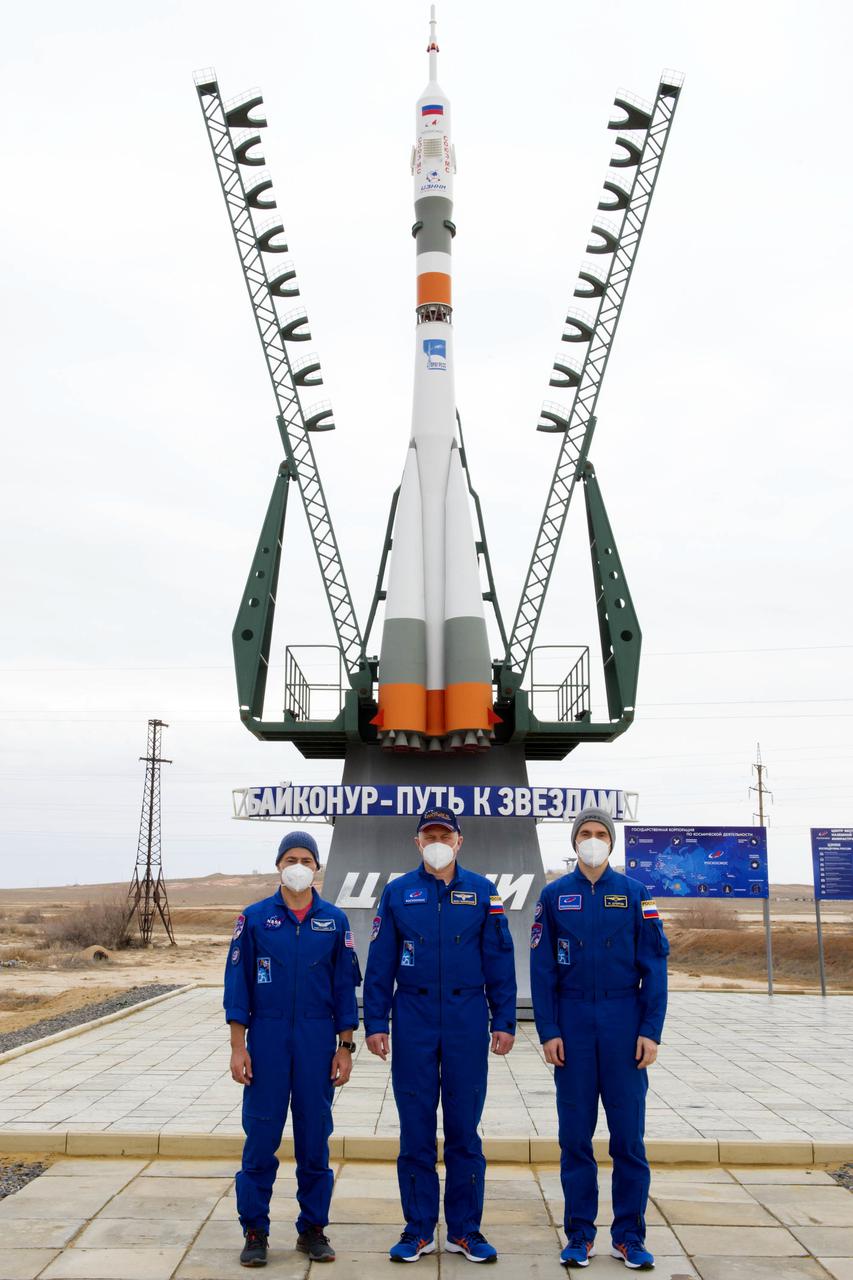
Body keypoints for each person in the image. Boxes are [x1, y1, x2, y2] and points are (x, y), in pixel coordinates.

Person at [363, 807, 517, 1264]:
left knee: (464, 1129)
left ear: (458, 841)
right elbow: (379, 965)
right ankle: (418, 1229)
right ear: (416, 842)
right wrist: (375, 1023)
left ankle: (466, 1230)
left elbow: (500, 961)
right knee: (415, 1129)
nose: (436, 840)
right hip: (413, 1016)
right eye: (428, 834)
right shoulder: (396, 894)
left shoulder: (484, 892)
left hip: (467, 1016)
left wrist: (504, 1020)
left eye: (444, 834)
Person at [530, 808, 668, 1271]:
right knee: (575, 1137)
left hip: (623, 1023)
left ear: (612, 843)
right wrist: (549, 1030)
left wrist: (650, 1031)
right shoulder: (553, 896)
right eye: (585, 834)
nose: (592, 840)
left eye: (600, 834)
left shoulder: (634, 894)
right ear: (574, 842)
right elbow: (543, 970)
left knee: (628, 1138)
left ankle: (629, 1235)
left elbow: (655, 967)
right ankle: (579, 1234)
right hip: (572, 1025)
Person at [224, 830, 360, 1267]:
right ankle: (255, 1230)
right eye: (290, 858)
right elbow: (237, 987)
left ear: (317, 867)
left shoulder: (334, 922)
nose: (298, 865)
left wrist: (345, 1047)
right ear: (279, 865)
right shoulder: (255, 918)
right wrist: (237, 1047)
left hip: (317, 1043)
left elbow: (344, 991)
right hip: (266, 1041)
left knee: (315, 1141)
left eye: (306, 858)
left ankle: (313, 1229)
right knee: (261, 1139)